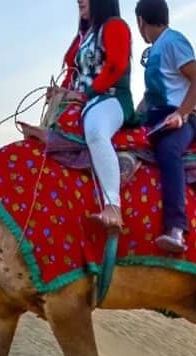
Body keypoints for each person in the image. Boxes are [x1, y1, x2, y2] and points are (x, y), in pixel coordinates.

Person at [134, 0, 196, 252]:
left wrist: (181, 114)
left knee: (168, 151)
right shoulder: (155, 50)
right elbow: (152, 95)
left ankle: (176, 228)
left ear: (141, 21)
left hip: (180, 118)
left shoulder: (174, 41)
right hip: (155, 118)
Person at [60, 0, 138, 232]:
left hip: (111, 98)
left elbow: (116, 66)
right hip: (82, 103)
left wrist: (86, 94)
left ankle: (113, 206)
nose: (79, 1)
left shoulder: (114, 26)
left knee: (95, 131)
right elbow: (73, 73)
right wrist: (61, 93)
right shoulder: (83, 37)